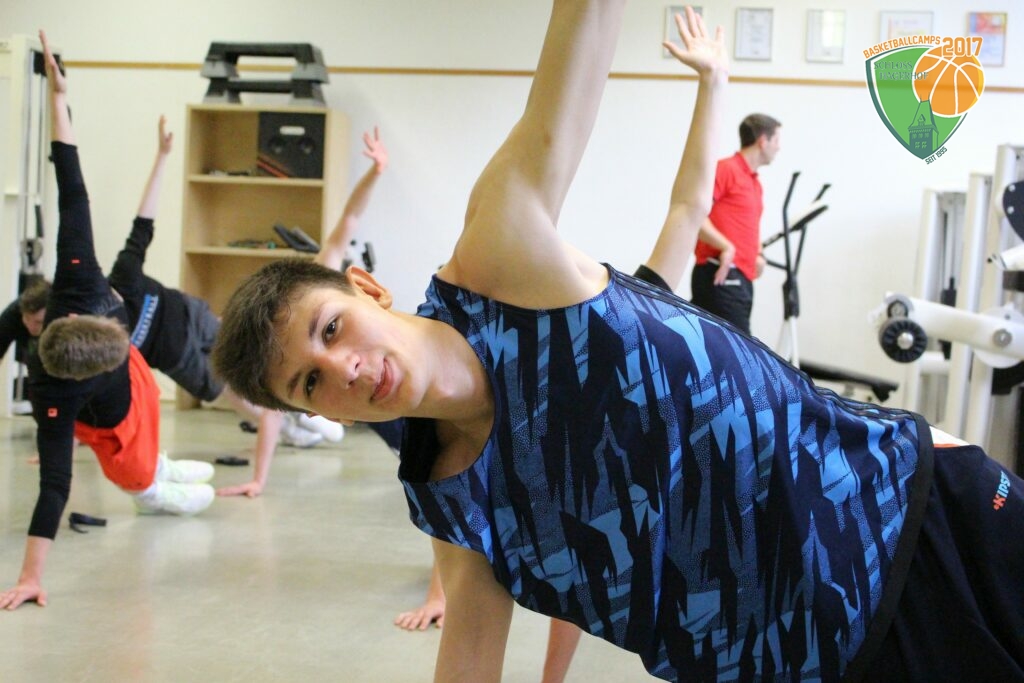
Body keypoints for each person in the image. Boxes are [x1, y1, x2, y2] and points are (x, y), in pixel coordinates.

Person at [212, 3, 1024, 681]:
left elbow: (590, 49)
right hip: (821, 663)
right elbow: (468, 658)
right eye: (309, 384)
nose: (344, 369)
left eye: (329, 329)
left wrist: (713, 80)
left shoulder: (499, 263)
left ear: (365, 288)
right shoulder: (451, 504)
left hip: (910, 518)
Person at [391, 12, 727, 683]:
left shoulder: (646, 309)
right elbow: (469, 523)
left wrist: (713, 84)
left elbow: (689, 207)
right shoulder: (506, 390)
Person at [0, 31, 215, 612]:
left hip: (138, 381)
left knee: (158, 454)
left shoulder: (80, 278)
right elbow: (54, 487)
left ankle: (162, 467)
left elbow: (72, 188)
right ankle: (155, 487)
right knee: (144, 485)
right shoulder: (53, 397)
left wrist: (59, 99)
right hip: (111, 425)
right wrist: (30, 576)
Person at [107, 115, 329, 450]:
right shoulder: (101, 330)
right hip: (177, 358)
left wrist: (163, 155)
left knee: (244, 347)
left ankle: (295, 407)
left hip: (190, 315)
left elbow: (144, 220)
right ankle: (281, 428)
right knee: (224, 386)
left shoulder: (124, 273)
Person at [216, 126, 389, 499]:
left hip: (318, 409)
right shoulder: (283, 354)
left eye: (329, 328)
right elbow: (270, 414)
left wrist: (375, 172)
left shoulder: (320, 283)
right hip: (302, 398)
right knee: (236, 392)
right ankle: (298, 427)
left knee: (333, 432)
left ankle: (302, 430)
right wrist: (259, 479)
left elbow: (350, 218)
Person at [689, 112, 781, 336]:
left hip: (741, 278)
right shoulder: (726, 169)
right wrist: (726, 247)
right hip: (721, 273)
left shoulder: (755, 184)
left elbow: (748, 228)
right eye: (776, 140)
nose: (779, 147)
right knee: (739, 348)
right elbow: (695, 215)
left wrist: (758, 254)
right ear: (763, 141)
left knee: (717, 347)